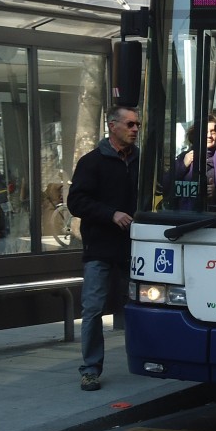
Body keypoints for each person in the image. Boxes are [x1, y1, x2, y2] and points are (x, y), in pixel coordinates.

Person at [67, 106, 140, 391]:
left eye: (137, 125)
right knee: (93, 309)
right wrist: (111, 214)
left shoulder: (141, 161)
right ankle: (90, 369)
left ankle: (149, 358)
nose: (135, 129)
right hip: (100, 248)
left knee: (143, 307)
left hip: (133, 249)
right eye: (130, 124)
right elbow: (76, 202)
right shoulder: (92, 162)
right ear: (112, 126)